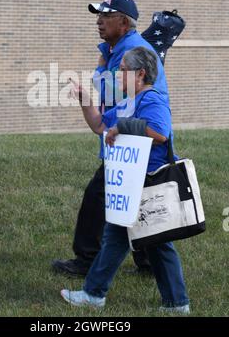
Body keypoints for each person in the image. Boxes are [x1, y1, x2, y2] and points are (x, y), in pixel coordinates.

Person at [60, 46, 190, 314]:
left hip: (149, 180)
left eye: (122, 71)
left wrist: (122, 127)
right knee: (127, 237)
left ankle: (97, 294)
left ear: (140, 73)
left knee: (150, 240)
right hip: (132, 182)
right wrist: (85, 100)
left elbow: (160, 132)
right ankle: (173, 304)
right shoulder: (128, 101)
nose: (118, 76)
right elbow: (99, 125)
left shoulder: (152, 99)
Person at [52, 0, 173, 277]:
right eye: (98, 15)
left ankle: (88, 261)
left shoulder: (128, 51)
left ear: (123, 21)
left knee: (99, 197)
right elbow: (106, 104)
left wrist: (103, 63)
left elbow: (113, 97)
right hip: (128, 144)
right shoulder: (118, 48)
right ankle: (147, 264)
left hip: (136, 146)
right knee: (133, 202)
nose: (99, 21)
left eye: (105, 16)